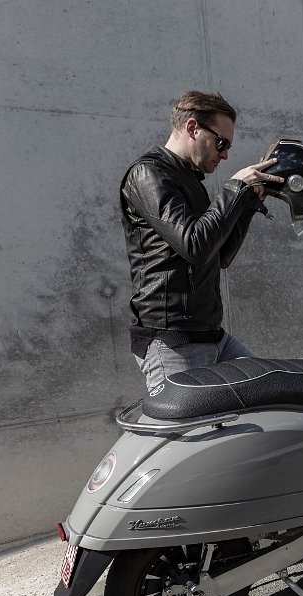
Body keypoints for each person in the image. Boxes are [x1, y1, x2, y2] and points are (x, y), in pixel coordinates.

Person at [119, 90, 283, 392]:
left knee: (268, 392)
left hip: (211, 336)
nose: (225, 154)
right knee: (189, 436)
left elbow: (218, 257)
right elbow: (195, 245)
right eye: (222, 143)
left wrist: (247, 204)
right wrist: (235, 188)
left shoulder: (190, 181)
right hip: (172, 343)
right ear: (193, 128)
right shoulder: (149, 175)